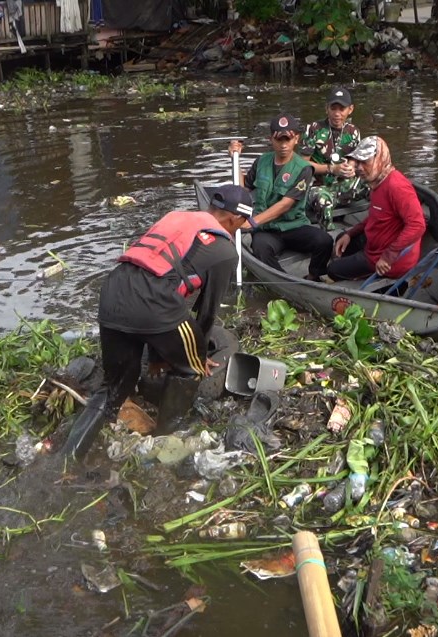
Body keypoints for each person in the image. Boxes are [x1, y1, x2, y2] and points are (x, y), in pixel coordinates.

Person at [55, 186, 257, 464]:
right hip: (153, 303)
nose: (242, 228)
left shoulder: (177, 216)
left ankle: (66, 459)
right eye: (244, 222)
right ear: (235, 218)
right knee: (189, 370)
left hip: (114, 290)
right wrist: (196, 357)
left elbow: (156, 276)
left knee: (114, 387)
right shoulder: (224, 251)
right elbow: (206, 314)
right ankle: (165, 438)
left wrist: (157, 355)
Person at [228, 114, 333, 281]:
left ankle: (314, 275)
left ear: (296, 139)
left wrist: (253, 222)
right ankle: (283, 282)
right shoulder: (261, 161)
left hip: (294, 226)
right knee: (261, 247)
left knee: (325, 241)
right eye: (279, 140)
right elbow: (243, 188)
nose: (284, 145)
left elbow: (286, 204)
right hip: (267, 229)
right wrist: (235, 159)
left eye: (288, 139)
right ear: (271, 139)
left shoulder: (303, 168)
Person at [328, 136, 426, 281]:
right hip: (376, 245)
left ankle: (378, 279)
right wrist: (350, 233)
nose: (359, 168)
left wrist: (388, 256)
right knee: (341, 238)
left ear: (379, 159)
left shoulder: (396, 186)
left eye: (365, 162)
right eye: (358, 162)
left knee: (333, 271)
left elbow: (417, 225)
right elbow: (376, 216)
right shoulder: (377, 181)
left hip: (390, 260)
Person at [300, 87, 369, 227]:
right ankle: (328, 235)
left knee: (376, 185)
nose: (337, 114)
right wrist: (331, 169)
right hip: (319, 186)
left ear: (350, 109)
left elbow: (355, 160)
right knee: (324, 202)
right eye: (333, 108)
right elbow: (303, 164)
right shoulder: (313, 129)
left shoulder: (354, 131)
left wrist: (351, 167)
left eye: (342, 109)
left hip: (345, 185)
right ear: (327, 109)